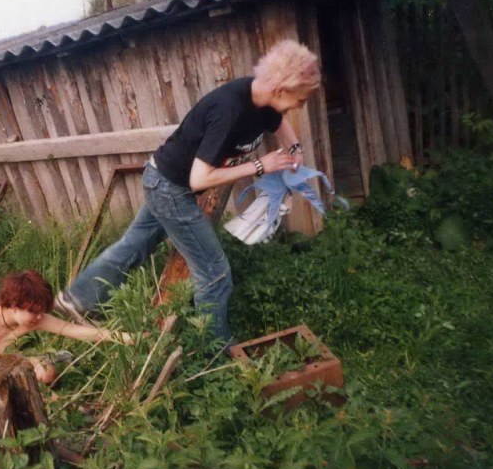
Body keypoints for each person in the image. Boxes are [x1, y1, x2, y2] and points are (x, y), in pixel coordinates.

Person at [55, 39, 321, 352]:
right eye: (299, 99)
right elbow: (200, 179)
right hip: (170, 188)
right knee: (215, 272)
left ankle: (74, 300)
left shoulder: (263, 102)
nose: (298, 107)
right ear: (281, 89)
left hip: (163, 179)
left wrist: (295, 150)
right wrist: (260, 165)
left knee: (134, 246)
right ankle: (213, 352)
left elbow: (280, 125)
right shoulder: (230, 109)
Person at [0, 270, 133, 407]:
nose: (39, 317)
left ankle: (56, 360)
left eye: (42, 311)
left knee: (47, 372)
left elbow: (76, 331)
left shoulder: (32, 319)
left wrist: (125, 337)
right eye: (34, 311)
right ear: (14, 305)